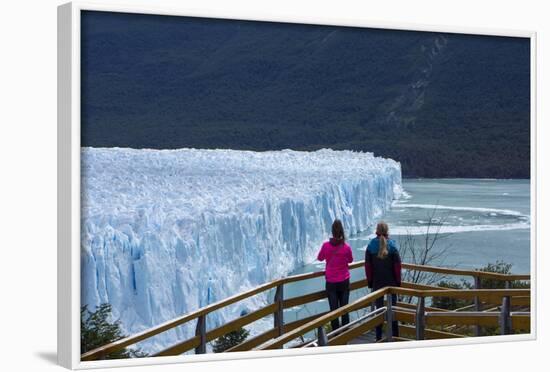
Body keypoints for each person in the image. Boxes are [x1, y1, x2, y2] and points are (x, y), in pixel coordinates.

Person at [364, 222, 402, 341]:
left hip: (377, 282)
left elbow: (368, 266)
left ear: (377, 230)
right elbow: (397, 266)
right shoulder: (393, 245)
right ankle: (395, 337)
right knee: (393, 310)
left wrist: (370, 281)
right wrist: (398, 282)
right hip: (392, 283)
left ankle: (378, 337)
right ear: (387, 231)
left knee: (379, 311)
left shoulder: (370, 246)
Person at [317, 219, 354, 331]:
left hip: (331, 283)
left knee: (333, 311)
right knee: (344, 310)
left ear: (332, 232)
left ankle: (335, 336)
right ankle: (345, 334)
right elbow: (351, 260)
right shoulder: (346, 247)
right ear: (342, 232)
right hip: (344, 281)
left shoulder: (326, 246)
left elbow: (320, 258)